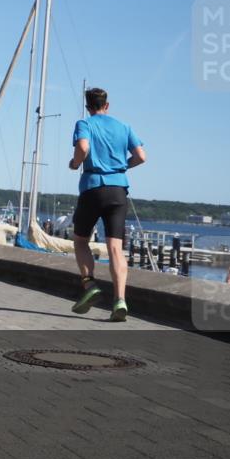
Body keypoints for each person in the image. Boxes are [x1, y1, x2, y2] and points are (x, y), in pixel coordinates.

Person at [68, 87, 146, 322]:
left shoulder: (85, 124)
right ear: (107, 105)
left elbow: (82, 148)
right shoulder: (124, 127)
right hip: (118, 190)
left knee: (81, 240)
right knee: (115, 247)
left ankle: (89, 283)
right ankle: (120, 300)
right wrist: (121, 168)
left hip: (93, 187)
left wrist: (74, 163)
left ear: (88, 106)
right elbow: (141, 156)